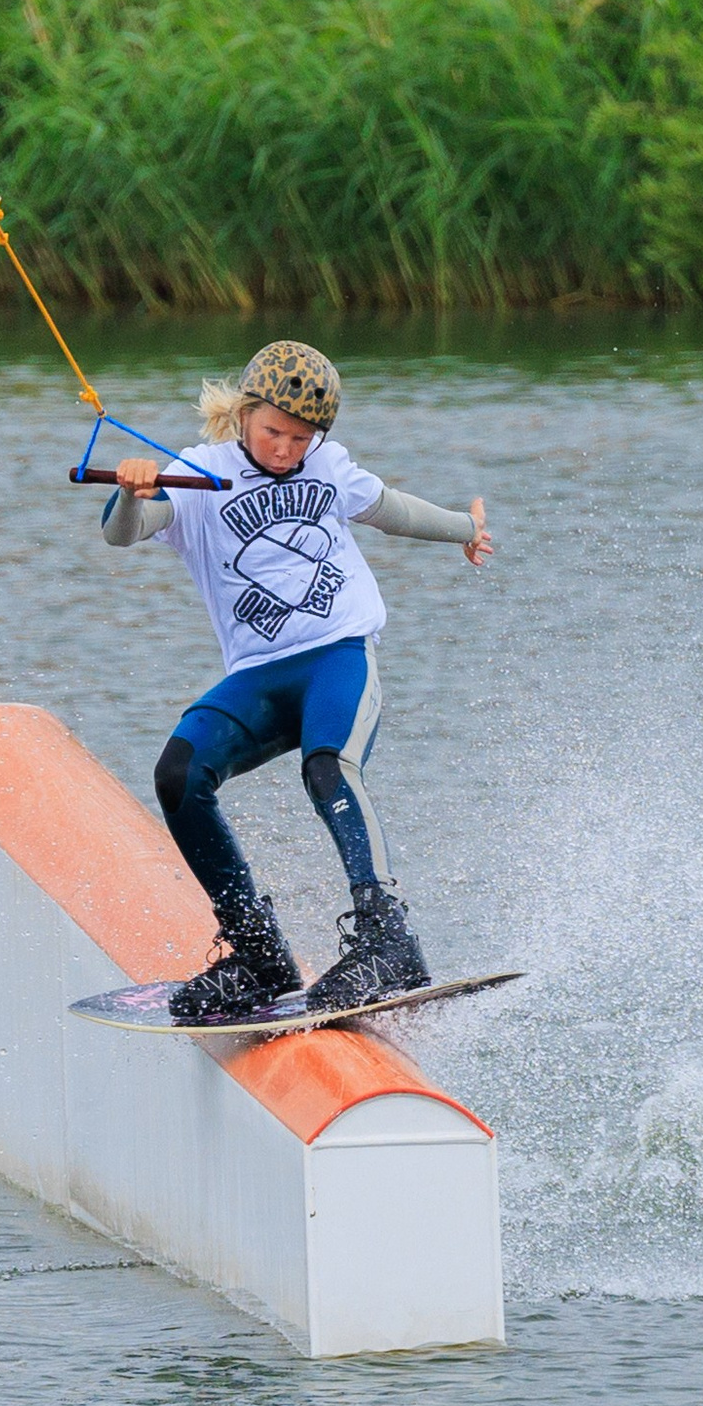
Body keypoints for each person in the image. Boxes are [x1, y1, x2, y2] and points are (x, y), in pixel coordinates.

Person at [100, 341, 493, 1021]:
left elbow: (392, 510)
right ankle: (260, 955)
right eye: (273, 432)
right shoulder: (195, 475)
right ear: (244, 414)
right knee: (179, 774)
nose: (285, 450)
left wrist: (465, 527)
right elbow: (121, 533)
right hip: (258, 677)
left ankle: (388, 939)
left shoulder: (328, 469)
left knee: (327, 766)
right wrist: (133, 491)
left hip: (338, 656)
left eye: (301, 438)